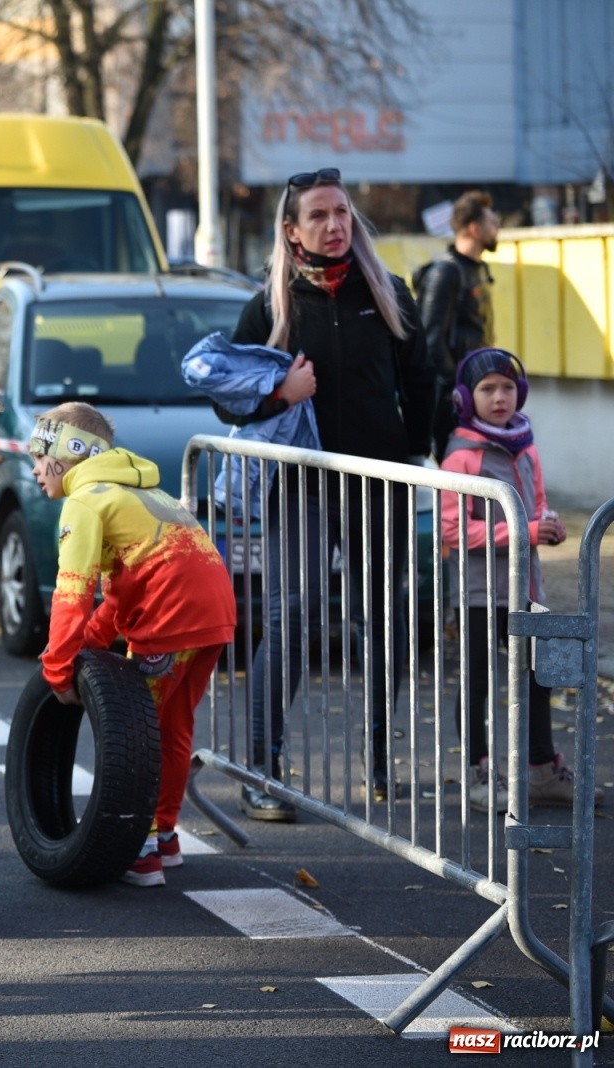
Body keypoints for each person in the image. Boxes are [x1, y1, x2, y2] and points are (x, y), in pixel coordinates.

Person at [219, 167, 435, 820]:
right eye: (319, 215)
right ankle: (262, 769)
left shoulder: (388, 292)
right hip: (302, 485)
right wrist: (278, 394)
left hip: (378, 483)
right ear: (292, 230)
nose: (335, 224)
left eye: (342, 212)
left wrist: (418, 455)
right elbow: (229, 396)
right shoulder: (271, 305)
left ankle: (377, 759)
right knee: (293, 615)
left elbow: (422, 378)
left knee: (382, 621)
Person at [30, 403, 236, 886]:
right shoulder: (137, 490)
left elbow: (72, 591)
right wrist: (92, 642)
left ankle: (139, 850)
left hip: (170, 619)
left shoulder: (84, 502)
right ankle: (164, 836)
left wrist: (59, 668)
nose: (35, 468)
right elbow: (121, 591)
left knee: (136, 736)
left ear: (67, 453)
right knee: (171, 728)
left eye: (40, 455)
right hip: (215, 618)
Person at [438, 348, 603, 811]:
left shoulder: (525, 445)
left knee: (537, 678)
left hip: (526, 587)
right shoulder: (461, 456)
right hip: (478, 591)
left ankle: (542, 771)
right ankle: (480, 771)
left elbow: (539, 501)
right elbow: (453, 530)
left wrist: (548, 522)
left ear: (521, 393)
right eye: (487, 389)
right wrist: (526, 530)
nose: (499, 397)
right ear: (467, 397)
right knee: (478, 682)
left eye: (508, 387)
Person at [418, 191, 498, 457]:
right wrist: (460, 389)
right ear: (475, 229)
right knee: (458, 475)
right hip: (454, 401)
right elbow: (431, 342)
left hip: (477, 393)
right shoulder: (446, 273)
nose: (497, 226)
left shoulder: (477, 270)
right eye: (491, 222)